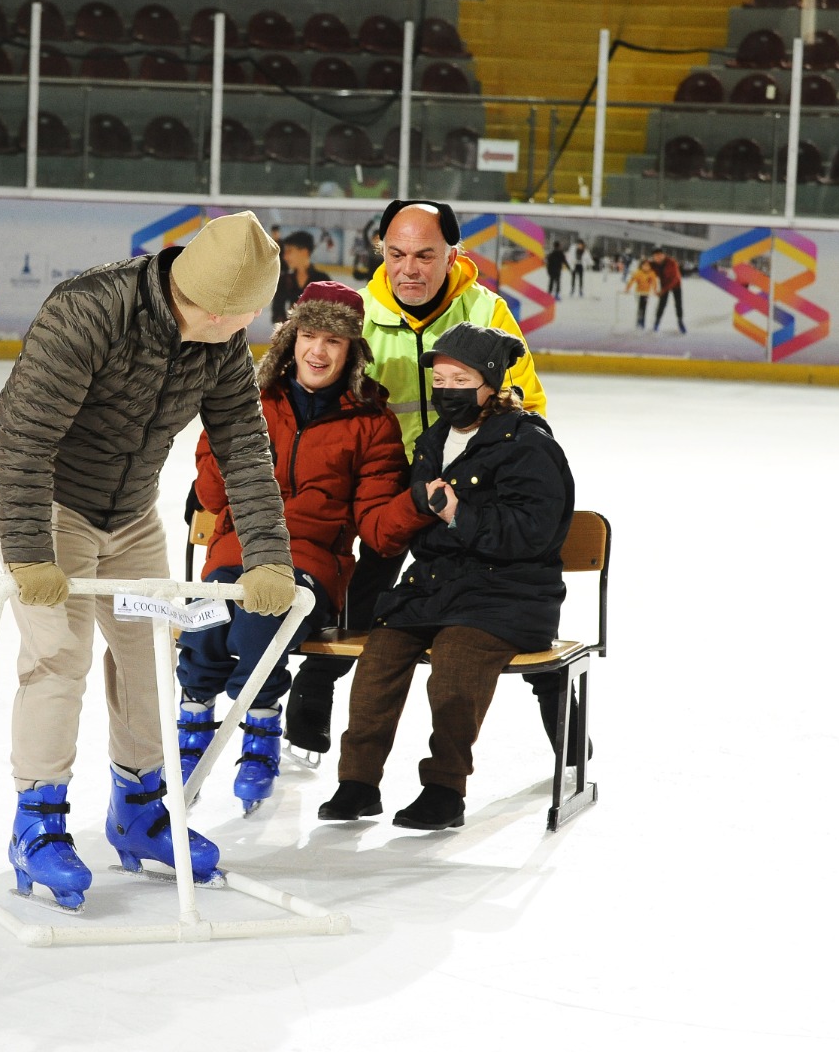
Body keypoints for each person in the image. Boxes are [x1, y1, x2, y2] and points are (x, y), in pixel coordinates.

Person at [0, 211, 294, 913]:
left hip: (129, 510)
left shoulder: (218, 344)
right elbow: (26, 438)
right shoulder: (90, 313)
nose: (250, 327)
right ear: (211, 306)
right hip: (45, 497)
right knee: (58, 656)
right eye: (244, 314)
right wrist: (29, 551)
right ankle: (38, 821)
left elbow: (244, 444)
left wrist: (269, 556)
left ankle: (141, 812)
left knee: (150, 653)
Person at [287, 199, 584, 778]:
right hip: (391, 480)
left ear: (453, 254)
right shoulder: (365, 313)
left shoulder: (485, 309)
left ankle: (566, 730)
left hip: (478, 479)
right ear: (382, 253)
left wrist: (490, 466)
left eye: (426, 255)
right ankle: (313, 696)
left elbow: (527, 402)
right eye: (397, 254)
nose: (410, 268)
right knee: (369, 583)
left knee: (508, 589)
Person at [177, 280, 427, 814]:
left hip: (310, 564)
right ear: (291, 339)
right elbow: (214, 493)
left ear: (352, 353)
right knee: (207, 613)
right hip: (234, 551)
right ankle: (192, 720)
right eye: (308, 335)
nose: (318, 350)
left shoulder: (371, 423)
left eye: (333, 342)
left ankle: (260, 724)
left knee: (259, 616)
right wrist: (221, 436)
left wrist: (418, 503)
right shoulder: (248, 399)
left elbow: (377, 522)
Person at [318, 322, 575, 830]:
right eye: (440, 381)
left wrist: (460, 516)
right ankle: (358, 783)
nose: (447, 392)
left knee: (457, 666)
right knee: (379, 659)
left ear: (491, 382)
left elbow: (535, 534)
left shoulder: (528, 445)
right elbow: (420, 533)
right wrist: (438, 522)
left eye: (460, 380)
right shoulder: (435, 440)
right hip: (437, 587)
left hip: (511, 594)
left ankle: (444, 789)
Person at [270, 230, 331, 323]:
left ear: (304, 252)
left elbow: (330, 312)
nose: (285, 257)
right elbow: (277, 312)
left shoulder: (322, 280)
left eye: (289, 251)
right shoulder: (284, 280)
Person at [650, 247, 686, 333]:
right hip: (664, 284)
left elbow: (676, 278)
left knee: (678, 303)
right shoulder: (653, 264)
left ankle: (680, 321)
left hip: (676, 284)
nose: (658, 258)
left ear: (663, 255)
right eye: (655, 256)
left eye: (659, 255)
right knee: (662, 304)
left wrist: (663, 290)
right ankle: (657, 322)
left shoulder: (672, 263)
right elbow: (646, 270)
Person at [625, 257, 657, 329]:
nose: (646, 267)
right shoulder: (638, 273)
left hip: (646, 293)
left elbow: (654, 283)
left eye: (648, 266)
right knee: (640, 307)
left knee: (644, 307)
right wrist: (627, 289)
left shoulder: (652, 273)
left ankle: (642, 322)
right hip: (639, 293)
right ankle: (638, 321)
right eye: (644, 265)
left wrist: (655, 290)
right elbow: (631, 281)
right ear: (641, 266)